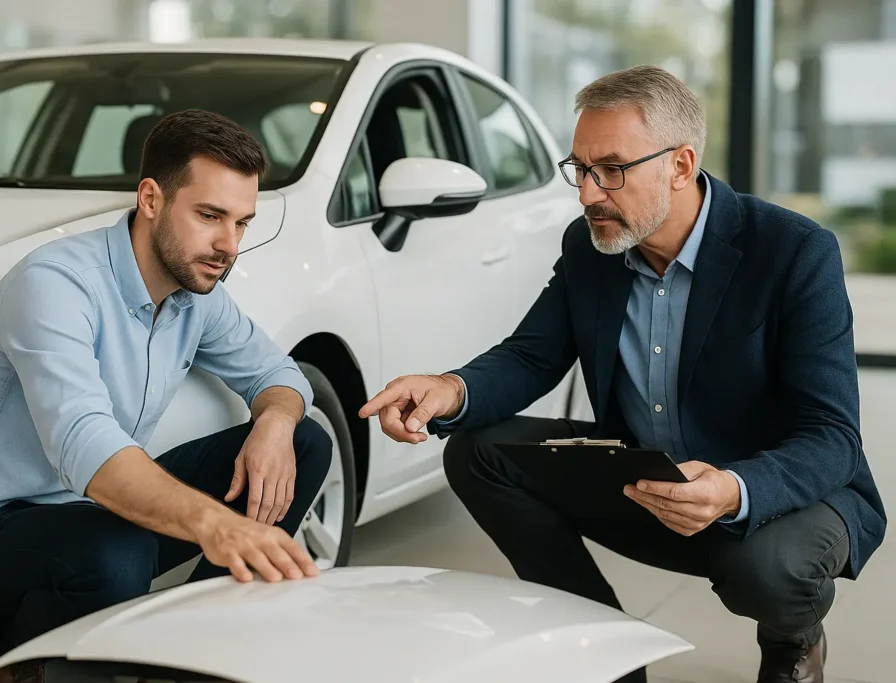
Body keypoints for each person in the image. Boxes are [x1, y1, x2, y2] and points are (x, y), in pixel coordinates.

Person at [360, 65, 885, 683]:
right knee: (478, 453)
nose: (587, 194)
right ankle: (603, 649)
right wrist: (450, 389)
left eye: (611, 170)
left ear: (680, 166)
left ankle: (792, 638)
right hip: (646, 479)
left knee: (770, 573)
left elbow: (831, 436)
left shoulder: (794, 250)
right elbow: (531, 356)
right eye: (580, 169)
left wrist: (732, 489)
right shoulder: (591, 245)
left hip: (768, 497)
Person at [0, 110, 332, 683]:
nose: (228, 245)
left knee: (307, 442)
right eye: (210, 216)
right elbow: (86, 445)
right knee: (117, 553)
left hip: (101, 511)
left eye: (241, 223)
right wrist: (217, 524)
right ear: (151, 198)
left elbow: (280, 374)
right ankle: (7, 655)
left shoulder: (196, 290)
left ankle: (190, 657)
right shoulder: (56, 283)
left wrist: (275, 424)